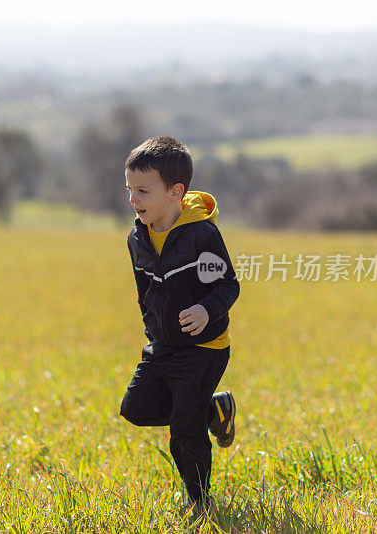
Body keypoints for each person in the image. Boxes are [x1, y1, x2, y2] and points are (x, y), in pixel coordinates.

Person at [119, 136, 240, 514]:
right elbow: (144, 293)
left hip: (204, 348)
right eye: (129, 190)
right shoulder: (137, 239)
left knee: (184, 434)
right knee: (135, 409)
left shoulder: (202, 234)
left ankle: (200, 504)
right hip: (162, 348)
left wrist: (206, 310)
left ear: (175, 192)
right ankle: (213, 410)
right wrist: (152, 331)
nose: (133, 200)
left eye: (142, 191)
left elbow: (227, 284)